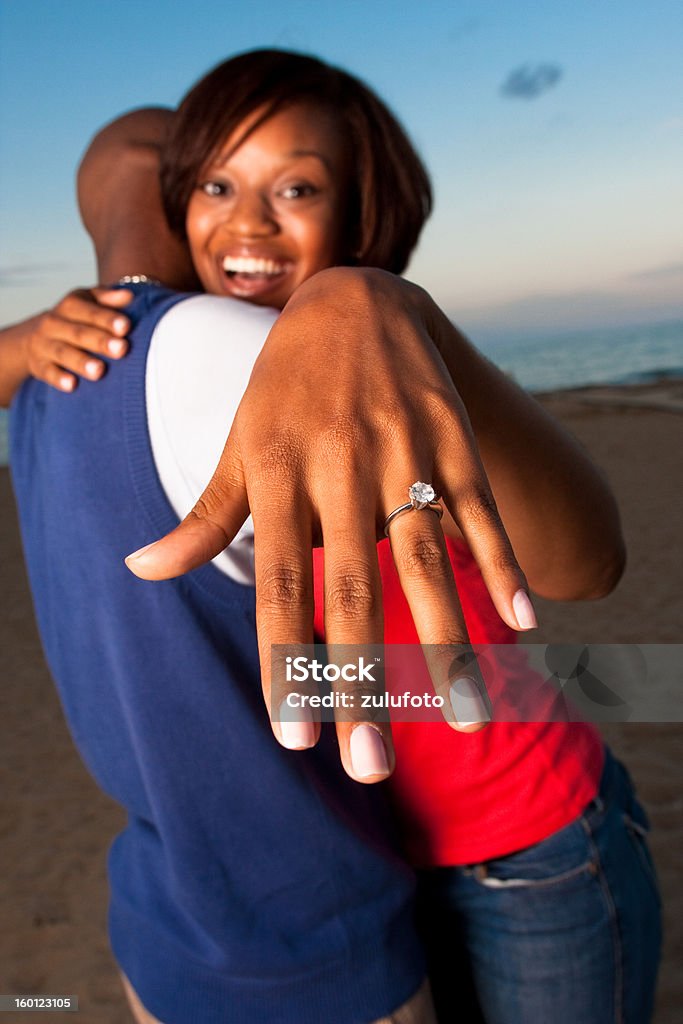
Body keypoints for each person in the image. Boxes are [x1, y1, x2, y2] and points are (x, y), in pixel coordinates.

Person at [1, 49, 660, 1024]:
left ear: (359, 216)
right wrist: (15, 346)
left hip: (519, 848)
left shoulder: (394, 379)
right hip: (363, 857)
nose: (247, 221)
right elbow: (127, 143)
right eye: (216, 184)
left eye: (296, 187)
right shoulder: (198, 372)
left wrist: (383, 303)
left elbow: (588, 561)